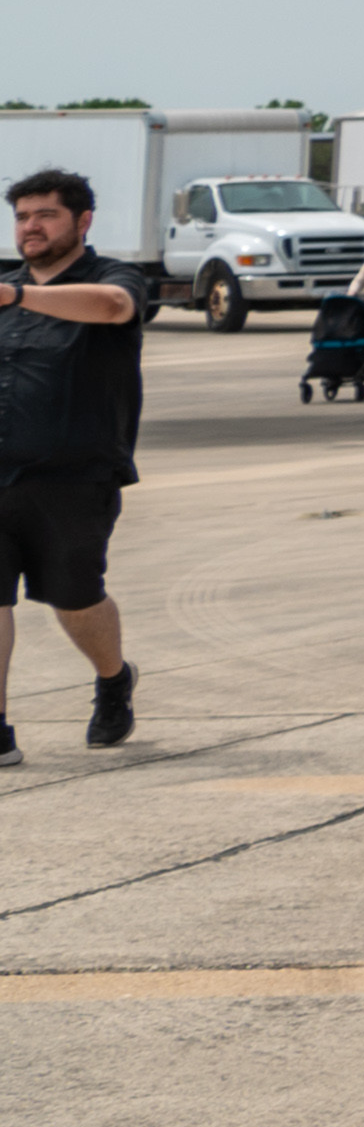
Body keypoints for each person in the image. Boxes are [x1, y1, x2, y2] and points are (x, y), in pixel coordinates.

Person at [0, 170, 153, 765]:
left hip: (75, 476)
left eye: (45, 214)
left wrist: (18, 296)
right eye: (22, 216)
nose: (30, 227)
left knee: (75, 598)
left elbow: (115, 309)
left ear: (82, 221)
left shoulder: (113, 278)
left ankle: (113, 678)